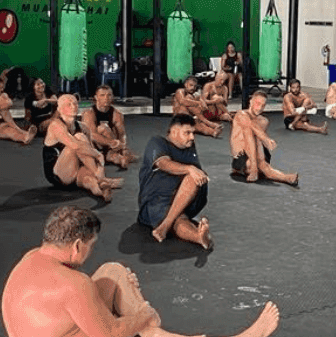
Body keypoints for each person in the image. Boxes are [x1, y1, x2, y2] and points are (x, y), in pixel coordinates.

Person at [1, 206, 279, 337]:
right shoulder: (74, 285)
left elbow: (70, 300)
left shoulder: (32, 259)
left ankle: (155, 335)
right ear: (76, 246)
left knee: (112, 271)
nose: (89, 251)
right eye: (90, 246)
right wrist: (144, 316)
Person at [138, 113, 212, 248]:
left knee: (192, 179)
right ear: (174, 131)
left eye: (193, 133)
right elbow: (163, 164)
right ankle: (195, 235)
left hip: (185, 200)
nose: (192, 137)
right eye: (187, 133)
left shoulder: (189, 146)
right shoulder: (157, 142)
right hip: (157, 202)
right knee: (179, 220)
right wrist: (190, 169)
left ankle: (170, 228)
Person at [43, 93, 121, 202]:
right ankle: (101, 178)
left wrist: (98, 164)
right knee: (79, 138)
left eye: (75, 103)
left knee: (88, 180)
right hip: (59, 174)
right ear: (60, 109)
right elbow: (76, 146)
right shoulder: (56, 125)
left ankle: (101, 190)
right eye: (68, 104)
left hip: (75, 170)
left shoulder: (83, 127)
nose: (73, 106)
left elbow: (89, 154)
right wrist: (98, 155)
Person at [231, 89, 299, 185]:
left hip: (258, 154)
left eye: (263, 105)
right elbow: (250, 125)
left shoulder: (264, 121)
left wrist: (264, 140)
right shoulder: (240, 115)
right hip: (241, 155)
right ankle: (255, 168)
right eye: (257, 104)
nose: (259, 108)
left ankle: (285, 177)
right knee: (249, 130)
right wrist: (266, 139)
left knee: (263, 164)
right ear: (250, 101)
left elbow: (257, 139)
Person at [82, 84, 137, 169]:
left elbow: (122, 134)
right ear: (96, 97)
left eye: (109, 95)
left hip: (110, 147)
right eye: (102, 95)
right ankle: (116, 156)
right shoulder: (89, 113)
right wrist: (111, 142)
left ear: (112, 97)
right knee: (104, 128)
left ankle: (119, 158)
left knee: (125, 155)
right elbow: (92, 136)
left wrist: (123, 148)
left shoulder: (117, 114)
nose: (106, 98)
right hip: (94, 146)